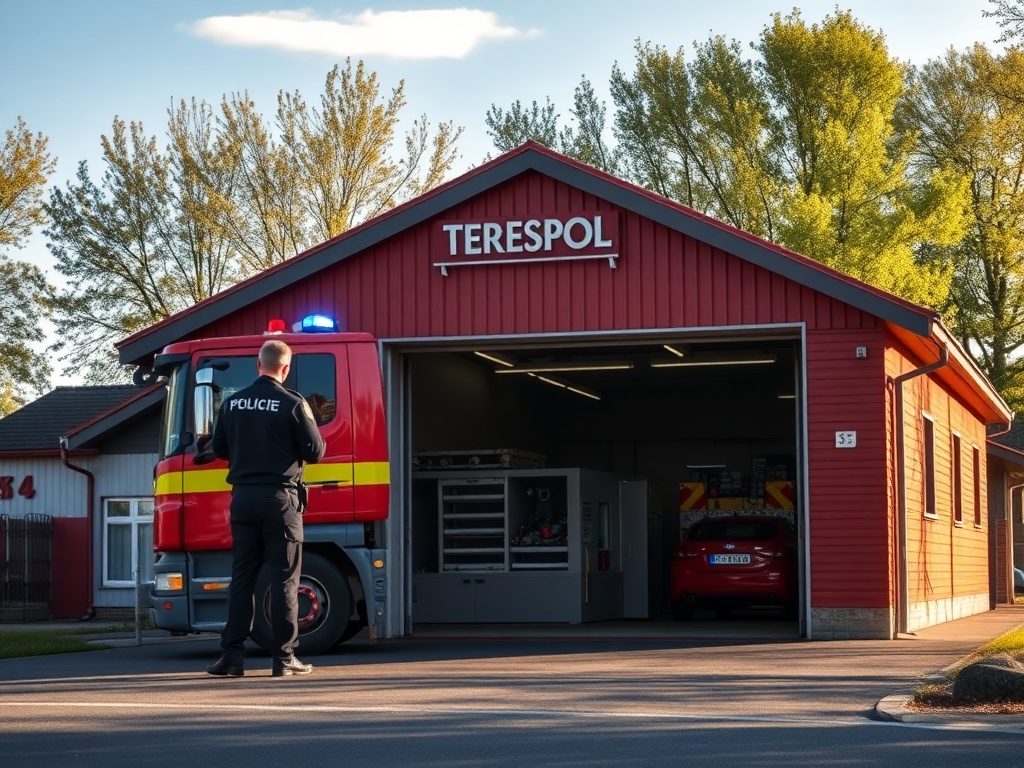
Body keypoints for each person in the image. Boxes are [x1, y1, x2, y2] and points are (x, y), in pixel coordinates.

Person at [200, 339, 326, 678]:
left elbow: (220, 447)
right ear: (285, 369)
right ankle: (283, 659)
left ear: (258, 365)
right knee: (284, 579)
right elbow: (315, 452)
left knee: (242, 579)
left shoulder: (232, 403)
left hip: (242, 500)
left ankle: (231, 658)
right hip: (280, 501)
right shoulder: (293, 403)